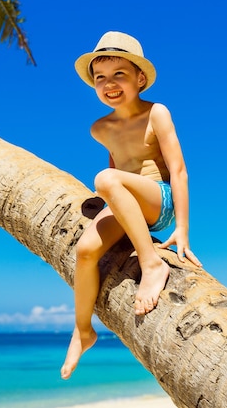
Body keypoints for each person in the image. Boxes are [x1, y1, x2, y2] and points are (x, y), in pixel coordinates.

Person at [61, 31, 201, 380]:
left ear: (140, 78)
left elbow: (179, 171)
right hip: (125, 200)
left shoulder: (157, 113)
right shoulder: (100, 128)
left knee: (105, 179)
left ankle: (152, 264)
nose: (109, 84)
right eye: (100, 78)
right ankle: (82, 330)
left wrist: (182, 228)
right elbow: (118, 167)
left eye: (119, 75)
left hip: (159, 201)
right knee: (85, 251)